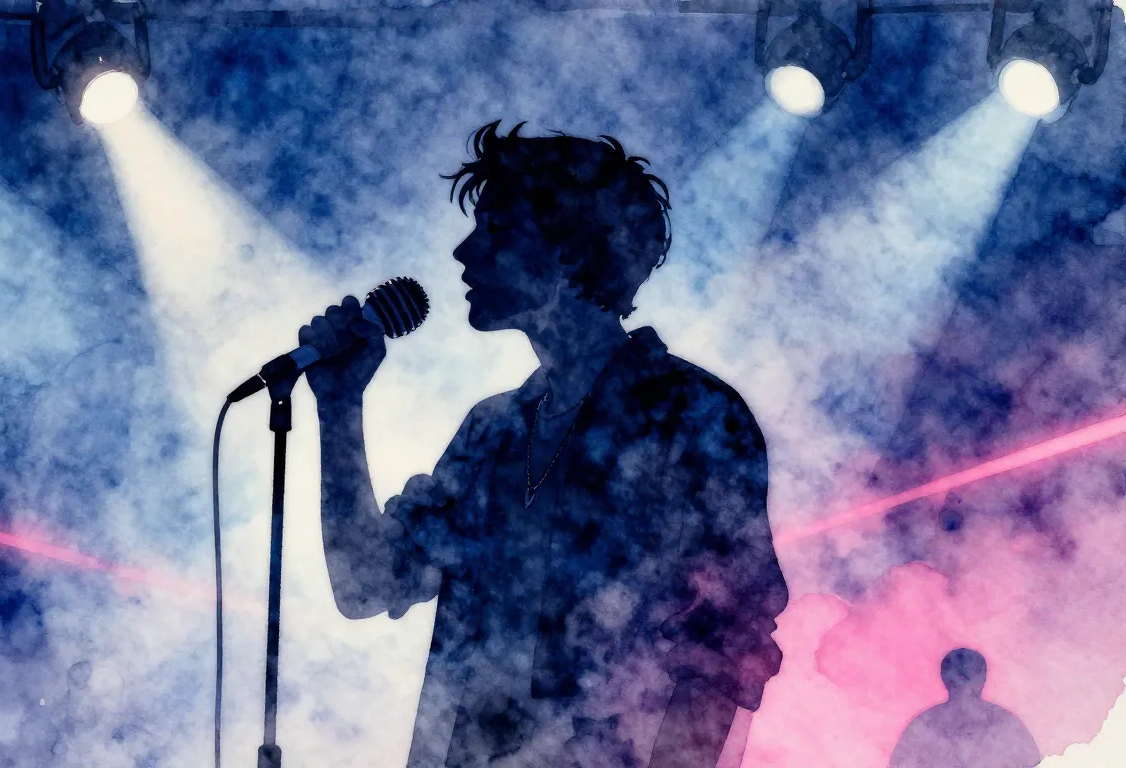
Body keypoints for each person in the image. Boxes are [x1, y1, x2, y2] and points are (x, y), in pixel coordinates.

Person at [299, 122, 788, 767]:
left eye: (497, 229)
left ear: (568, 250)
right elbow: (366, 584)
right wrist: (339, 406)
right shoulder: (491, 432)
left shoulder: (691, 416)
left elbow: (728, 637)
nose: (464, 253)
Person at [889, 648, 1041, 768]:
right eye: (962, 676)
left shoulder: (923, 725)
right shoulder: (1007, 723)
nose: (964, 683)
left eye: (968, 675)